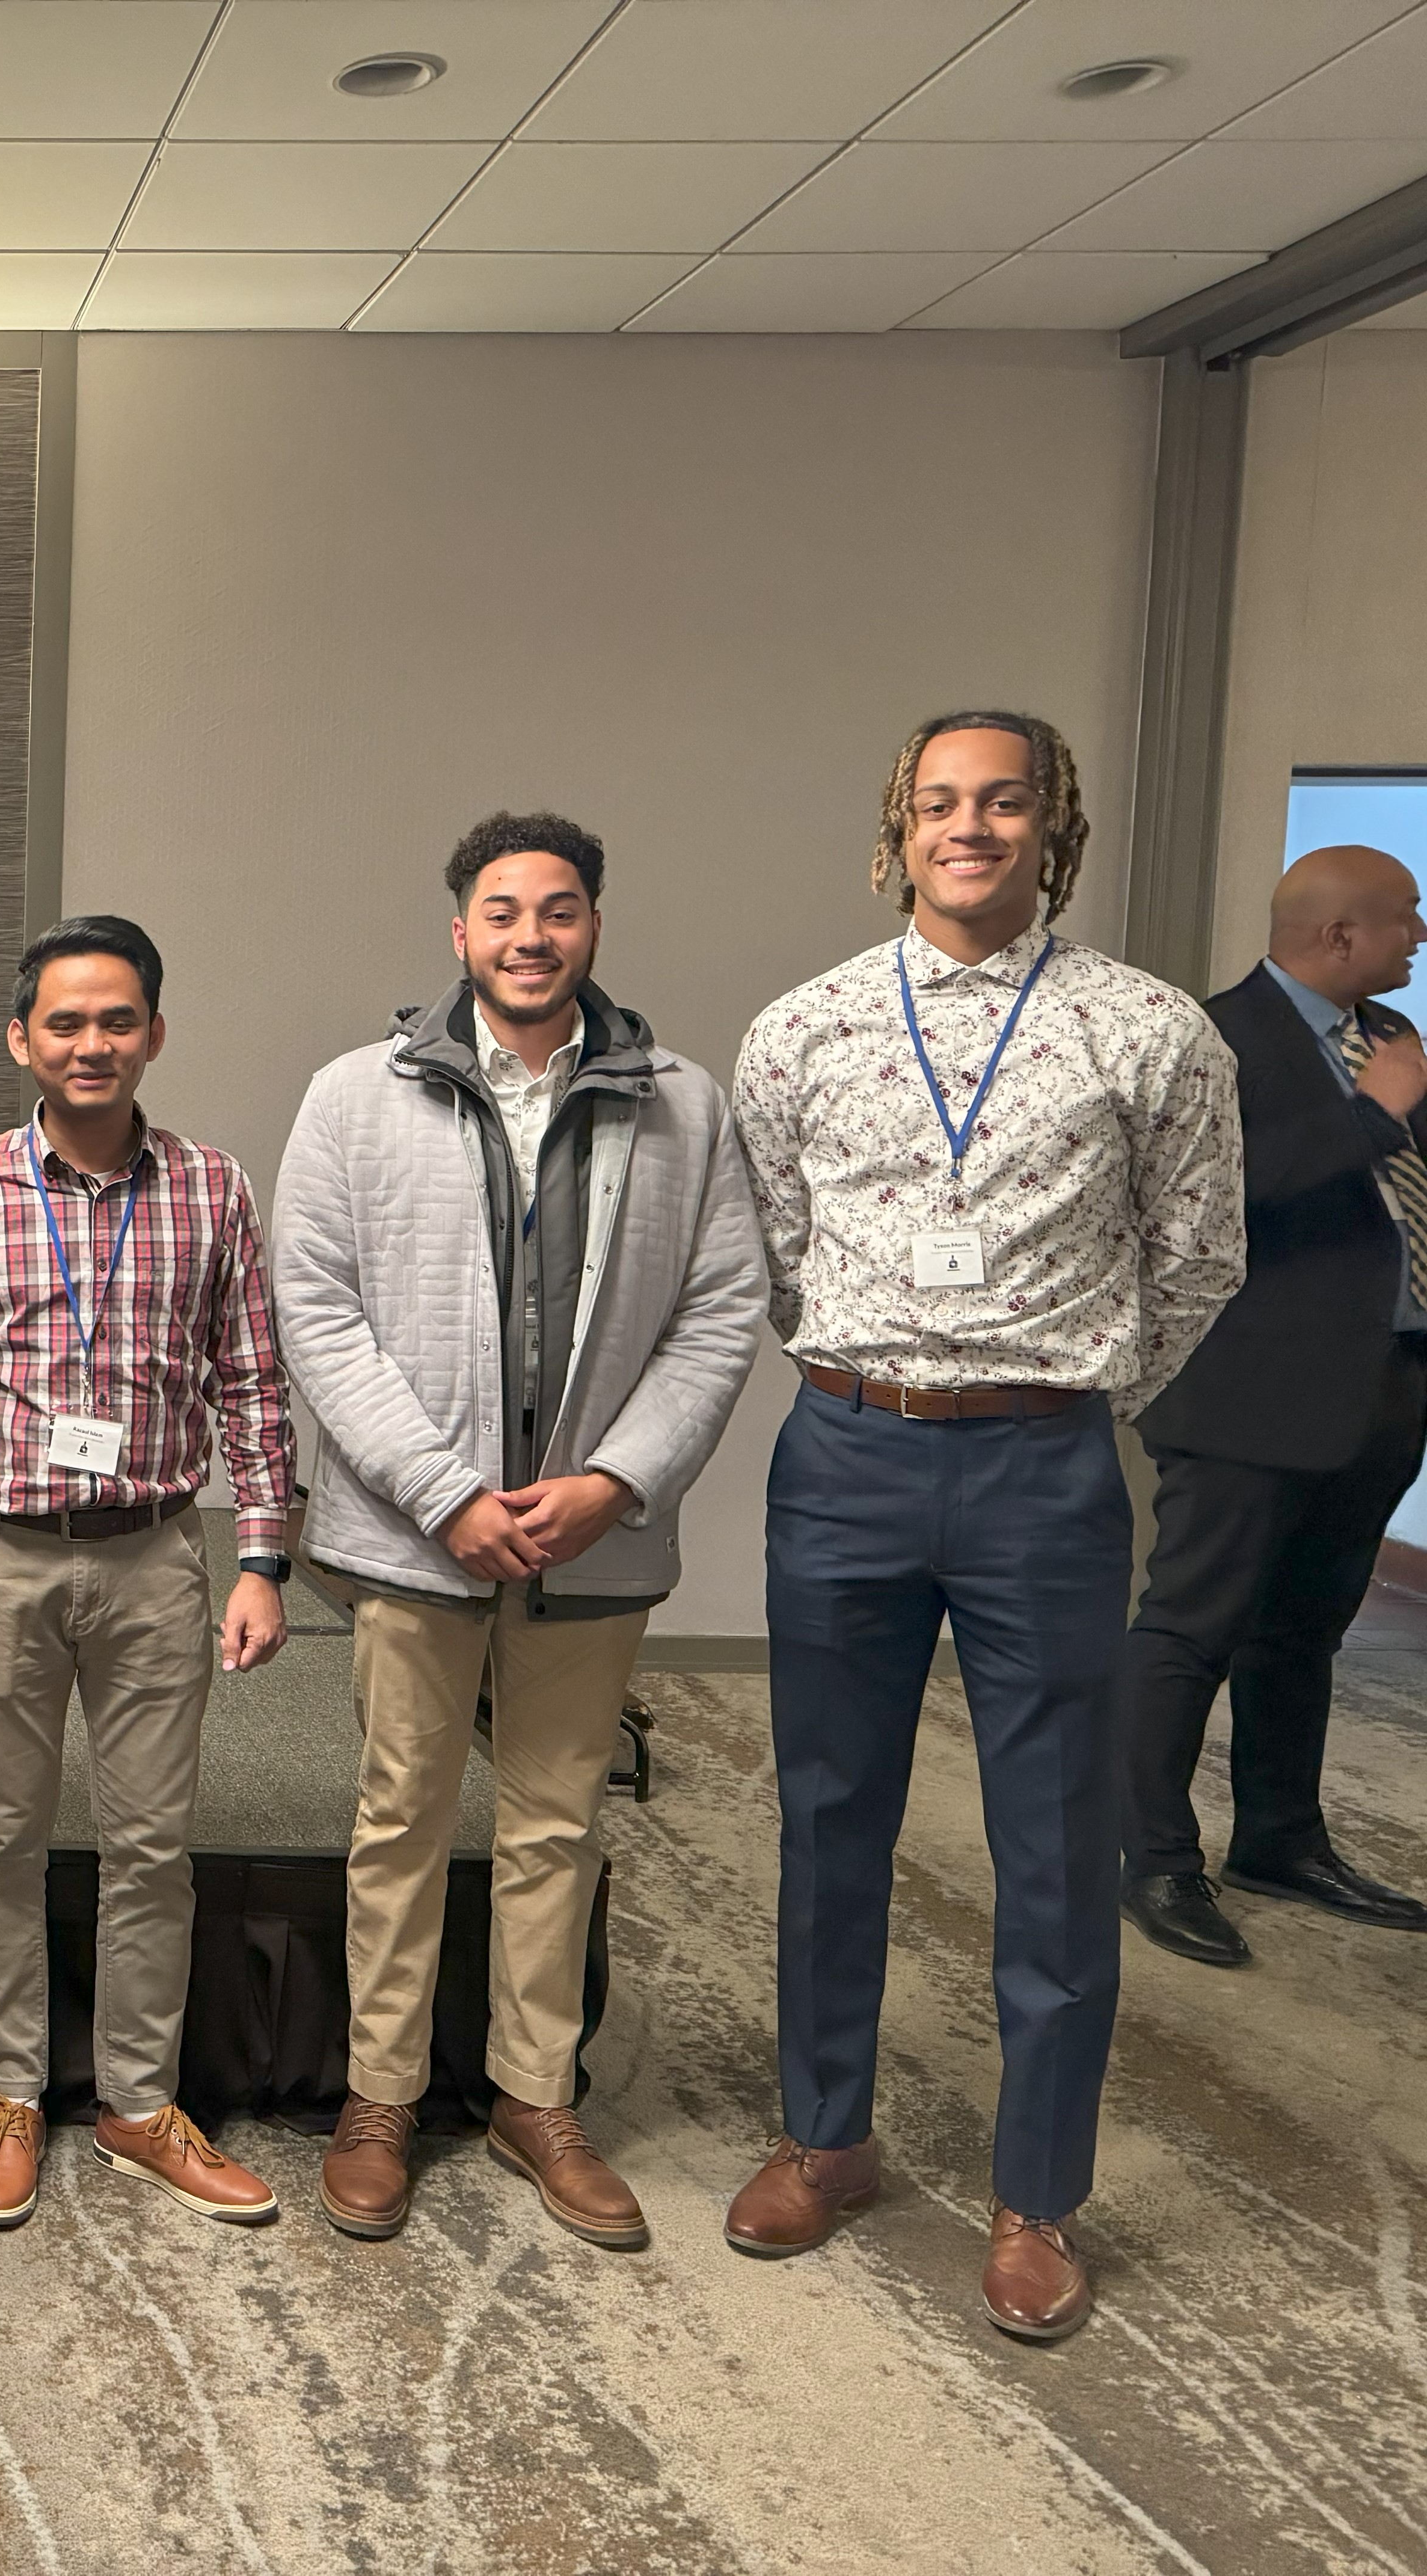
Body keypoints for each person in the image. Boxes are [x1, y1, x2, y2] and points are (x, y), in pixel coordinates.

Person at [727, 711, 1242, 2343]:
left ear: (1053, 827)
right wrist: (887, 1369)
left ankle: (1038, 2196)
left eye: (1003, 800)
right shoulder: (803, 1026)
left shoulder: (1148, 1032)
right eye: (940, 802)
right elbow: (775, 1242)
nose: (971, 826)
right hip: (849, 1452)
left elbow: (1200, 1256)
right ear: (899, 829)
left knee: (1053, 1843)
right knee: (827, 1814)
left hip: (1044, 1470)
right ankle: (826, 2134)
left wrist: (1060, 1383)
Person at [272, 814, 764, 2251]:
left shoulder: (683, 1102)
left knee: (558, 1819)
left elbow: (722, 1311)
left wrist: (617, 1481)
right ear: (459, 933)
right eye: (503, 912)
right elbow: (318, 1308)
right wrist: (443, 1492)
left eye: (558, 911)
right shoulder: (357, 1096)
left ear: (594, 925)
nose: (530, 936)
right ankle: (380, 2096)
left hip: (592, 1541)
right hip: (416, 1533)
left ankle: (535, 2096)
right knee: (401, 1818)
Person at [0, 915, 295, 2234]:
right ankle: (11, 2092)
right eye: (65, 1023)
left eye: (118, 1020)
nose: (92, 1044)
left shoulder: (213, 1188)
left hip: (157, 1559)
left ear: (155, 1036)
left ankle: (133, 2102)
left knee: (151, 1848)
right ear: (23, 1040)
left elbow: (254, 1382)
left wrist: (264, 1557)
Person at [1119, 844, 1427, 1964]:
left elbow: (1398, 1202)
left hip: (1381, 1390)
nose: (1420, 937)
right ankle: (1152, 1859)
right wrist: (1374, 1117)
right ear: (1342, 935)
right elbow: (1207, 1197)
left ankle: (1282, 1842)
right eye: (1408, 918)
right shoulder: (1209, 1037)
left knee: (1305, 1632)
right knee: (1191, 1630)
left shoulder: (1388, 1042)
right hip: (1244, 1394)